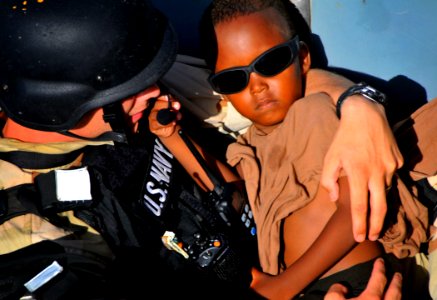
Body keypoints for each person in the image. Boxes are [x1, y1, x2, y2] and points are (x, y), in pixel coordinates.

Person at [148, 0, 434, 298]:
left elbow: (354, 211)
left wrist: (283, 288)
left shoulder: (315, 110)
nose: (257, 86)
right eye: (234, 78)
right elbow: (235, 197)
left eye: (271, 63)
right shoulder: (249, 144)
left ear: (303, 58)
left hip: (353, 280)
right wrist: (173, 137)